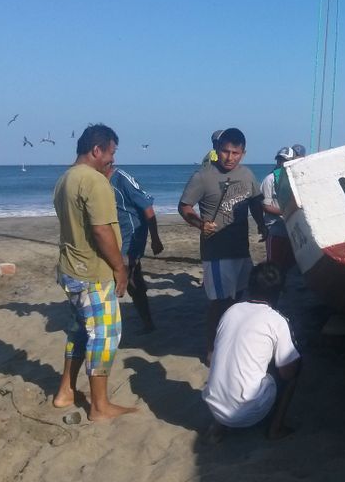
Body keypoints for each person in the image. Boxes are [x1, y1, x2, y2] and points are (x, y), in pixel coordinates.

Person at [52, 124, 136, 420]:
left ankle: (65, 392)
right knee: (104, 335)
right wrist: (120, 268)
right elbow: (101, 231)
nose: (111, 160)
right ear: (96, 150)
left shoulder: (65, 178)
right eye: (110, 152)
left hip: (70, 269)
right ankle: (99, 406)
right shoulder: (94, 180)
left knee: (79, 332)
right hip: (93, 274)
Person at [179, 127, 266, 361]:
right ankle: (212, 350)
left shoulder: (247, 175)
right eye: (225, 151)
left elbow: (256, 203)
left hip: (241, 250)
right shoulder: (203, 176)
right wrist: (199, 223)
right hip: (216, 252)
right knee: (220, 303)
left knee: (239, 300)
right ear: (217, 150)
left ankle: (232, 343)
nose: (230, 157)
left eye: (235, 153)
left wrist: (262, 226)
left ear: (243, 153)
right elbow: (184, 207)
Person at [202, 262, 301, 442]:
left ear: (249, 287)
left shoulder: (231, 311)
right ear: (278, 293)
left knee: (233, 358)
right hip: (247, 414)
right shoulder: (277, 320)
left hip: (214, 407)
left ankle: (218, 428)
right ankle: (275, 429)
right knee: (292, 367)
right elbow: (288, 372)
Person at [106, 165, 164, 332]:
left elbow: (148, 208)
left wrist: (155, 238)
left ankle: (146, 323)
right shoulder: (95, 179)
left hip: (131, 237)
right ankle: (147, 323)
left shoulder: (122, 179)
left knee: (126, 277)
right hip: (113, 237)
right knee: (132, 280)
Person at [260, 144, 304, 271]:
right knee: (274, 263)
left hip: (293, 227)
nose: (281, 162)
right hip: (275, 227)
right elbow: (265, 206)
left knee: (290, 263)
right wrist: (286, 211)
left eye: (285, 160)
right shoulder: (270, 180)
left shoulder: (296, 179)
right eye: (279, 159)